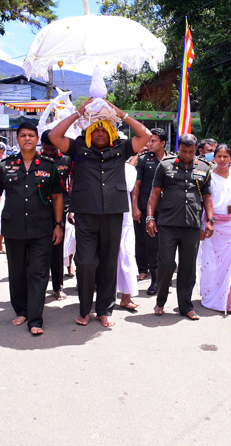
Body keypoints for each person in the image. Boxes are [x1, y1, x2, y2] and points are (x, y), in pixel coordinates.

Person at [48, 97, 152, 327]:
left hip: (113, 214)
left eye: (105, 129)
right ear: (89, 132)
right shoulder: (78, 148)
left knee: (108, 263)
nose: (101, 133)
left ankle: (104, 310)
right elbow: (54, 136)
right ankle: (84, 309)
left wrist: (120, 113)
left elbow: (145, 136)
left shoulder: (121, 148)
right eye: (96, 130)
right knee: (85, 263)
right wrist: (79, 114)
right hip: (85, 215)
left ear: (112, 132)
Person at [0, 122, 64, 335]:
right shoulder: (5, 165)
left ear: (37, 139)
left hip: (42, 228)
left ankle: (35, 319)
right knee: (17, 272)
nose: (27, 138)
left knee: (38, 273)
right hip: (14, 227)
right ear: (17, 139)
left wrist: (58, 225)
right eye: (22, 135)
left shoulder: (49, 165)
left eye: (31, 135)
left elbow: (57, 197)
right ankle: (21, 310)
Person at [146, 133, 214, 320]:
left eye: (191, 152)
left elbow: (207, 196)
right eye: (184, 151)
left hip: (191, 224)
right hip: (168, 223)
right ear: (178, 148)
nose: (187, 155)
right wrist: (149, 217)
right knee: (166, 263)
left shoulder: (204, 167)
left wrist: (210, 220)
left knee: (188, 267)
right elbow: (154, 193)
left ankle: (186, 305)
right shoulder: (165, 165)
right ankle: (160, 301)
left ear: (196, 150)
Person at [197, 144, 231, 316]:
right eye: (219, 156)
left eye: (226, 156)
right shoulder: (208, 176)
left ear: (230, 157)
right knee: (210, 264)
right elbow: (203, 201)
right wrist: (202, 225)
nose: (222, 160)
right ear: (214, 157)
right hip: (211, 225)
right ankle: (210, 298)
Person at [132, 127, 170, 295]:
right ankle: (154, 281)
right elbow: (136, 185)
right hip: (147, 209)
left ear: (163, 143)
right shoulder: (144, 159)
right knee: (151, 244)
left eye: (153, 141)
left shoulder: (172, 161)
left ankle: (165, 279)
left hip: (168, 210)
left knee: (167, 245)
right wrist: (134, 207)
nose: (150, 144)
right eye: (149, 140)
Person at [39, 131, 73, 300]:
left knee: (57, 249)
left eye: (53, 149)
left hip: (61, 210)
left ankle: (58, 286)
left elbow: (73, 182)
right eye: (47, 149)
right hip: (39, 210)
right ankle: (39, 287)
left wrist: (72, 207)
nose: (50, 152)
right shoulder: (36, 160)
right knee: (39, 249)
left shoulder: (66, 160)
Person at [117, 162, 139, 310]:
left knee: (128, 256)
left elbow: (131, 190)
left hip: (125, 218)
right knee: (107, 259)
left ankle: (126, 297)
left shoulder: (130, 170)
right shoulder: (99, 164)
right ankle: (105, 300)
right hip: (104, 218)